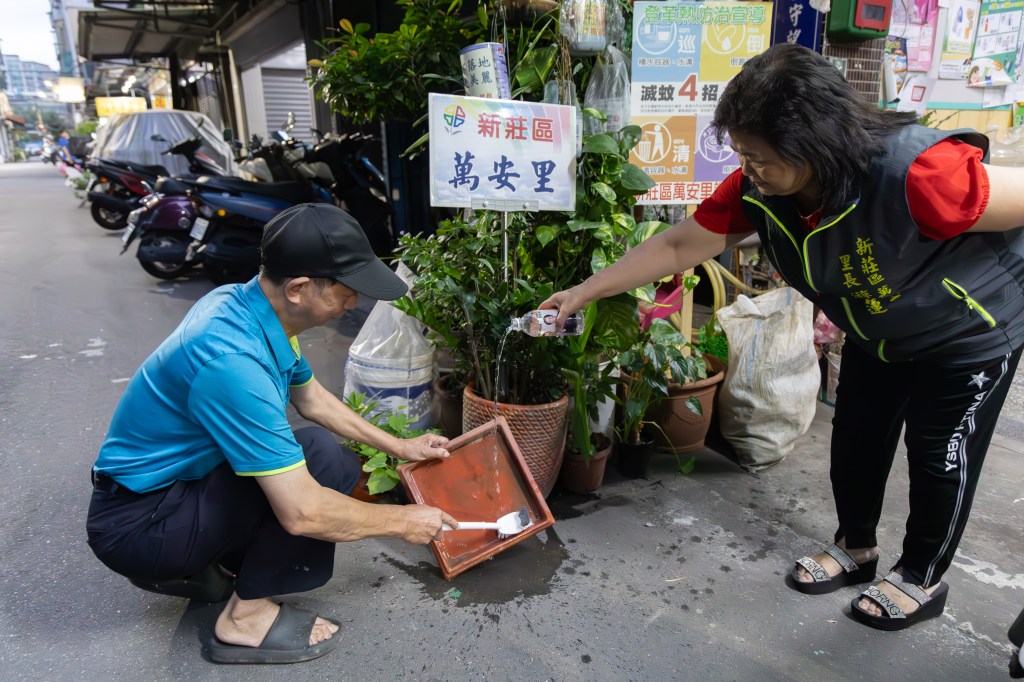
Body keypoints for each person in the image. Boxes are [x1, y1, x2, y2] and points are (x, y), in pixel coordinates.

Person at [541, 44, 1024, 631]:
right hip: (879, 328)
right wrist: (583, 292)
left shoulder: (919, 174)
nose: (749, 168)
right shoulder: (759, 190)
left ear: (814, 142)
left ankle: (922, 575)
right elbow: (676, 245)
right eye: (741, 152)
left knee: (939, 456)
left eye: (759, 155)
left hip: (969, 330)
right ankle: (856, 548)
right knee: (856, 441)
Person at [87, 203, 458, 664]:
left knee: (326, 454)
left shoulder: (254, 308)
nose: (354, 304)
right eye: (347, 292)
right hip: (141, 525)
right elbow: (304, 514)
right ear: (301, 288)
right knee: (312, 479)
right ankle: (243, 620)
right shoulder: (231, 362)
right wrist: (404, 522)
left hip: (177, 489)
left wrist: (403, 446)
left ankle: (221, 563)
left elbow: (313, 400)